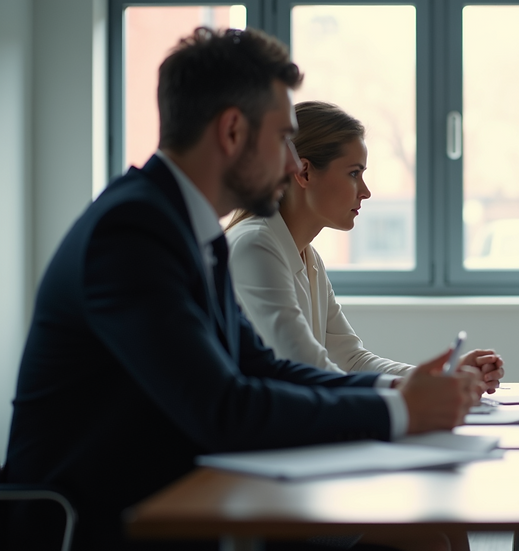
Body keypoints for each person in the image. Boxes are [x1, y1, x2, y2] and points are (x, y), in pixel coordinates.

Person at [2, 27, 482, 551]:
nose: (289, 163)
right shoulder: (133, 232)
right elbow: (223, 408)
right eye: (282, 139)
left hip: (182, 499)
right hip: (100, 523)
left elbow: (262, 367)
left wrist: (397, 391)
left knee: (431, 529)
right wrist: (402, 411)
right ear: (232, 131)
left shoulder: (186, 229)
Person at [224, 101, 504, 388]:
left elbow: (352, 361)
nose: (366, 192)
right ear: (304, 172)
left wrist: (444, 375)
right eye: (354, 173)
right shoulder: (255, 246)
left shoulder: (308, 257)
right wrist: (417, 390)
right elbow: (306, 367)